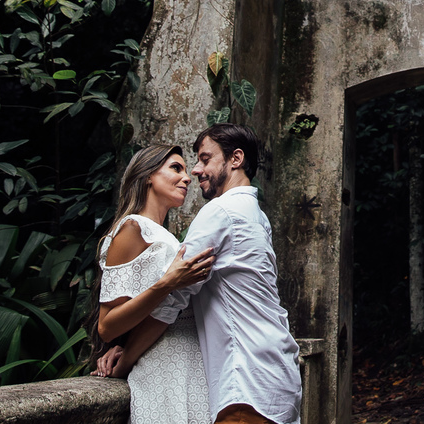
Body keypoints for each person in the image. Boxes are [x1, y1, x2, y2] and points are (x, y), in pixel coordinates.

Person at [110, 124, 302, 424]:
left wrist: (124, 364)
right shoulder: (256, 215)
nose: (196, 171)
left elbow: (172, 298)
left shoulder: (220, 212)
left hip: (246, 383)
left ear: (235, 159)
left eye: (204, 159)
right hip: (276, 376)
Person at [89, 143, 216, 424]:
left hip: (193, 362)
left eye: (186, 170)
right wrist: (167, 284)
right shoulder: (132, 228)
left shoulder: (166, 237)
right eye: (175, 168)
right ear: (147, 175)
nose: (186, 178)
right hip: (163, 368)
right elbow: (107, 326)